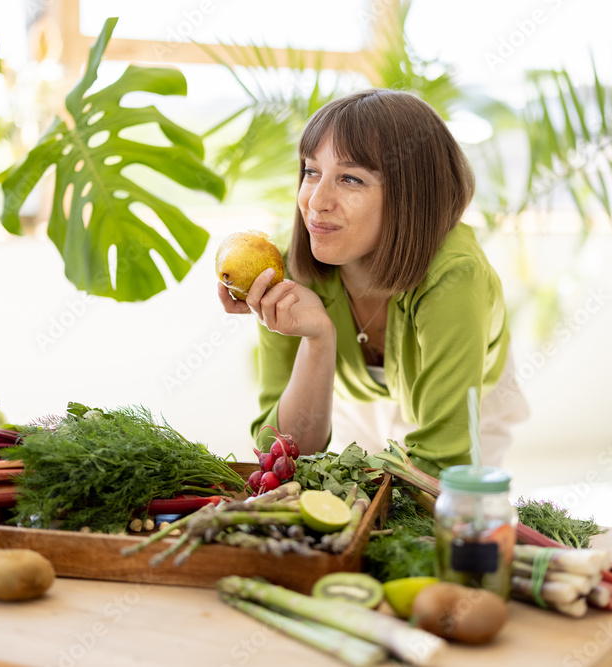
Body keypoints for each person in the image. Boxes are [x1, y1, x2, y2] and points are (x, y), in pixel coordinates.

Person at [217, 89, 528, 476]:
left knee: (447, 518)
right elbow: (280, 455)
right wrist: (318, 339)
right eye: (312, 171)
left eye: (350, 179)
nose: (316, 202)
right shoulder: (284, 273)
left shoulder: (455, 276)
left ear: (411, 194)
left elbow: (441, 462)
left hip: (470, 395)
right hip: (355, 401)